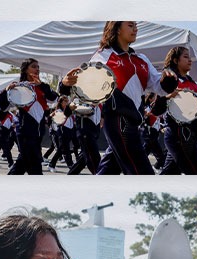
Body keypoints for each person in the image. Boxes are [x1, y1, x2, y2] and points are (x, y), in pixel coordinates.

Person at [61, 22, 165, 175]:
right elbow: (85, 81)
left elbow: (158, 85)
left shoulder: (141, 59)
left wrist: (168, 81)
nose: (135, 28)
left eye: (136, 25)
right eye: (130, 25)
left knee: (108, 172)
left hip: (134, 122)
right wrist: (65, 84)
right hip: (117, 120)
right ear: (117, 29)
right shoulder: (104, 55)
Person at [158, 46, 197, 175]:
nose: (190, 60)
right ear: (175, 60)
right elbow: (156, 108)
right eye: (185, 57)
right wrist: (168, 96)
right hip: (178, 133)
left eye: (189, 57)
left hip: (191, 133)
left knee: (170, 173)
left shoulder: (193, 83)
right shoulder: (170, 79)